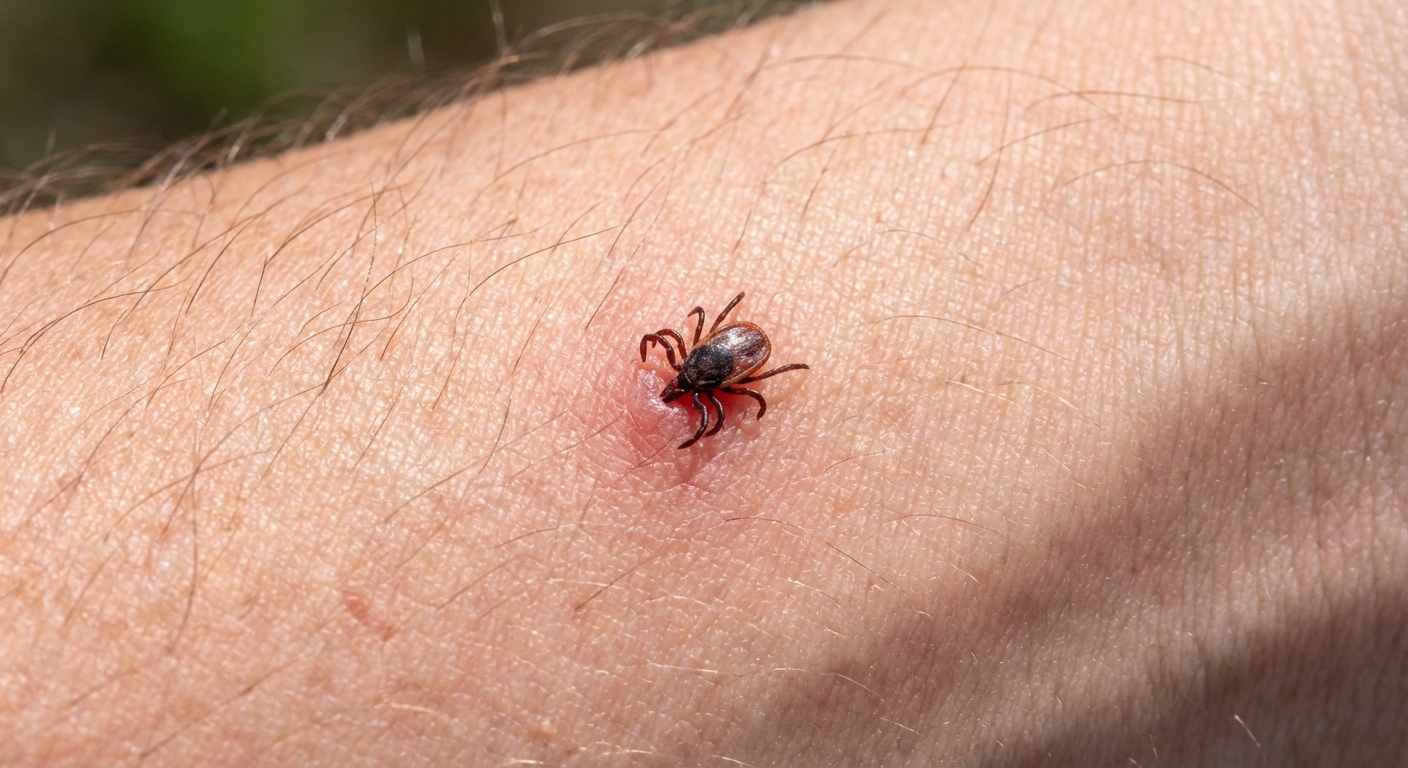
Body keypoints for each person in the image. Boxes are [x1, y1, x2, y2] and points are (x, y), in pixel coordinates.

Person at [2, 0, 1403, 763]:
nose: (697, 389)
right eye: (699, 384)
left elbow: (727, 350)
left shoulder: (716, 374)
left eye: (705, 386)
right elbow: (719, 348)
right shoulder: (707, 378)